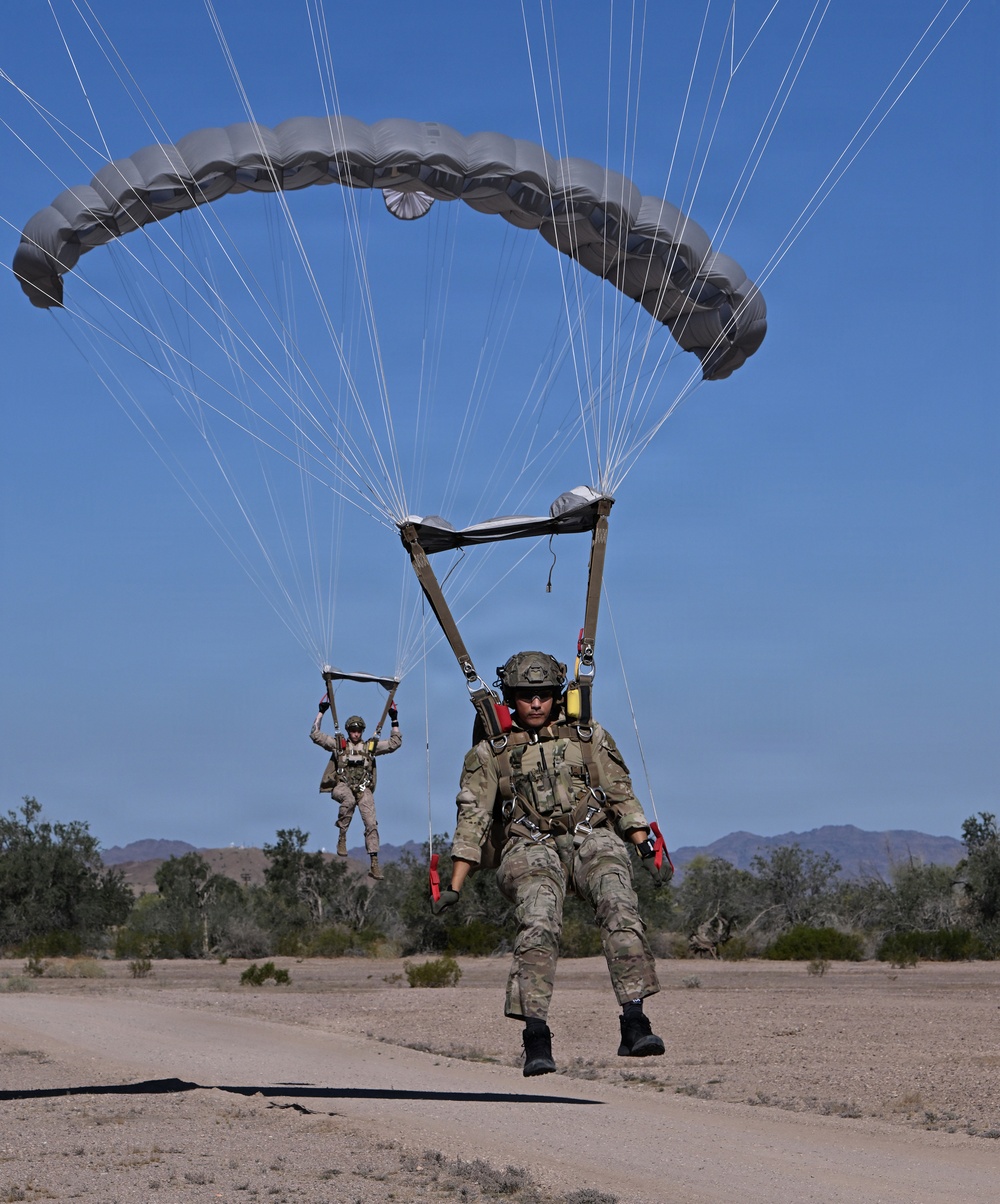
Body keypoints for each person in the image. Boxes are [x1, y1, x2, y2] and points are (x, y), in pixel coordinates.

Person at [432, 651, 670, 1076]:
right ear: (510, 698)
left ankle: (635, 1021)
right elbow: (473, 819)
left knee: (619, 902)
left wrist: (645, 848)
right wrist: (454, 883)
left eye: (543, 694)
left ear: (557, 695)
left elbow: (620, 793)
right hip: (528, 846)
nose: (536, 704)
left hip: (590, 837)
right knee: (539, 918)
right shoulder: (490, 753)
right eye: (526, 696)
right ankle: (536, 1035)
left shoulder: (588, 736)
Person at [311, 700, 402, 880]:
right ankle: (342, 835)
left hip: (363, 788)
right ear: (347, 731)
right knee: (349, 800)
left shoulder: (369, 747)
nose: (355, 734)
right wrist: (321, 713)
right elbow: (315, 735)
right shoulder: (339, 745)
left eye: (359, 730)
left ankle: (374, 862)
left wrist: (394, 720)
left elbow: (394, 743)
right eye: (353, 730)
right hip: (342, 786)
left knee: (371, 823)